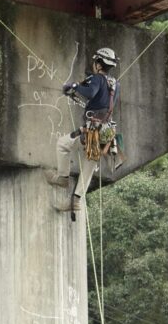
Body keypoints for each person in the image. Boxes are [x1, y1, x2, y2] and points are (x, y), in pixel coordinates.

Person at [49, 47, 119, 212]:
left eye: (95, 62)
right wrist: (75, 93)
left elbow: (90, 93)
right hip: (105, 131)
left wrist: (75, 86)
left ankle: (63, 178)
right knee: (89, 165)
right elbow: (100, 102)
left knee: (63, 144)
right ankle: (76, 201)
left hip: (92, 129)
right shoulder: (115, 84)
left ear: (99, 64)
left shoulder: (97, 78)